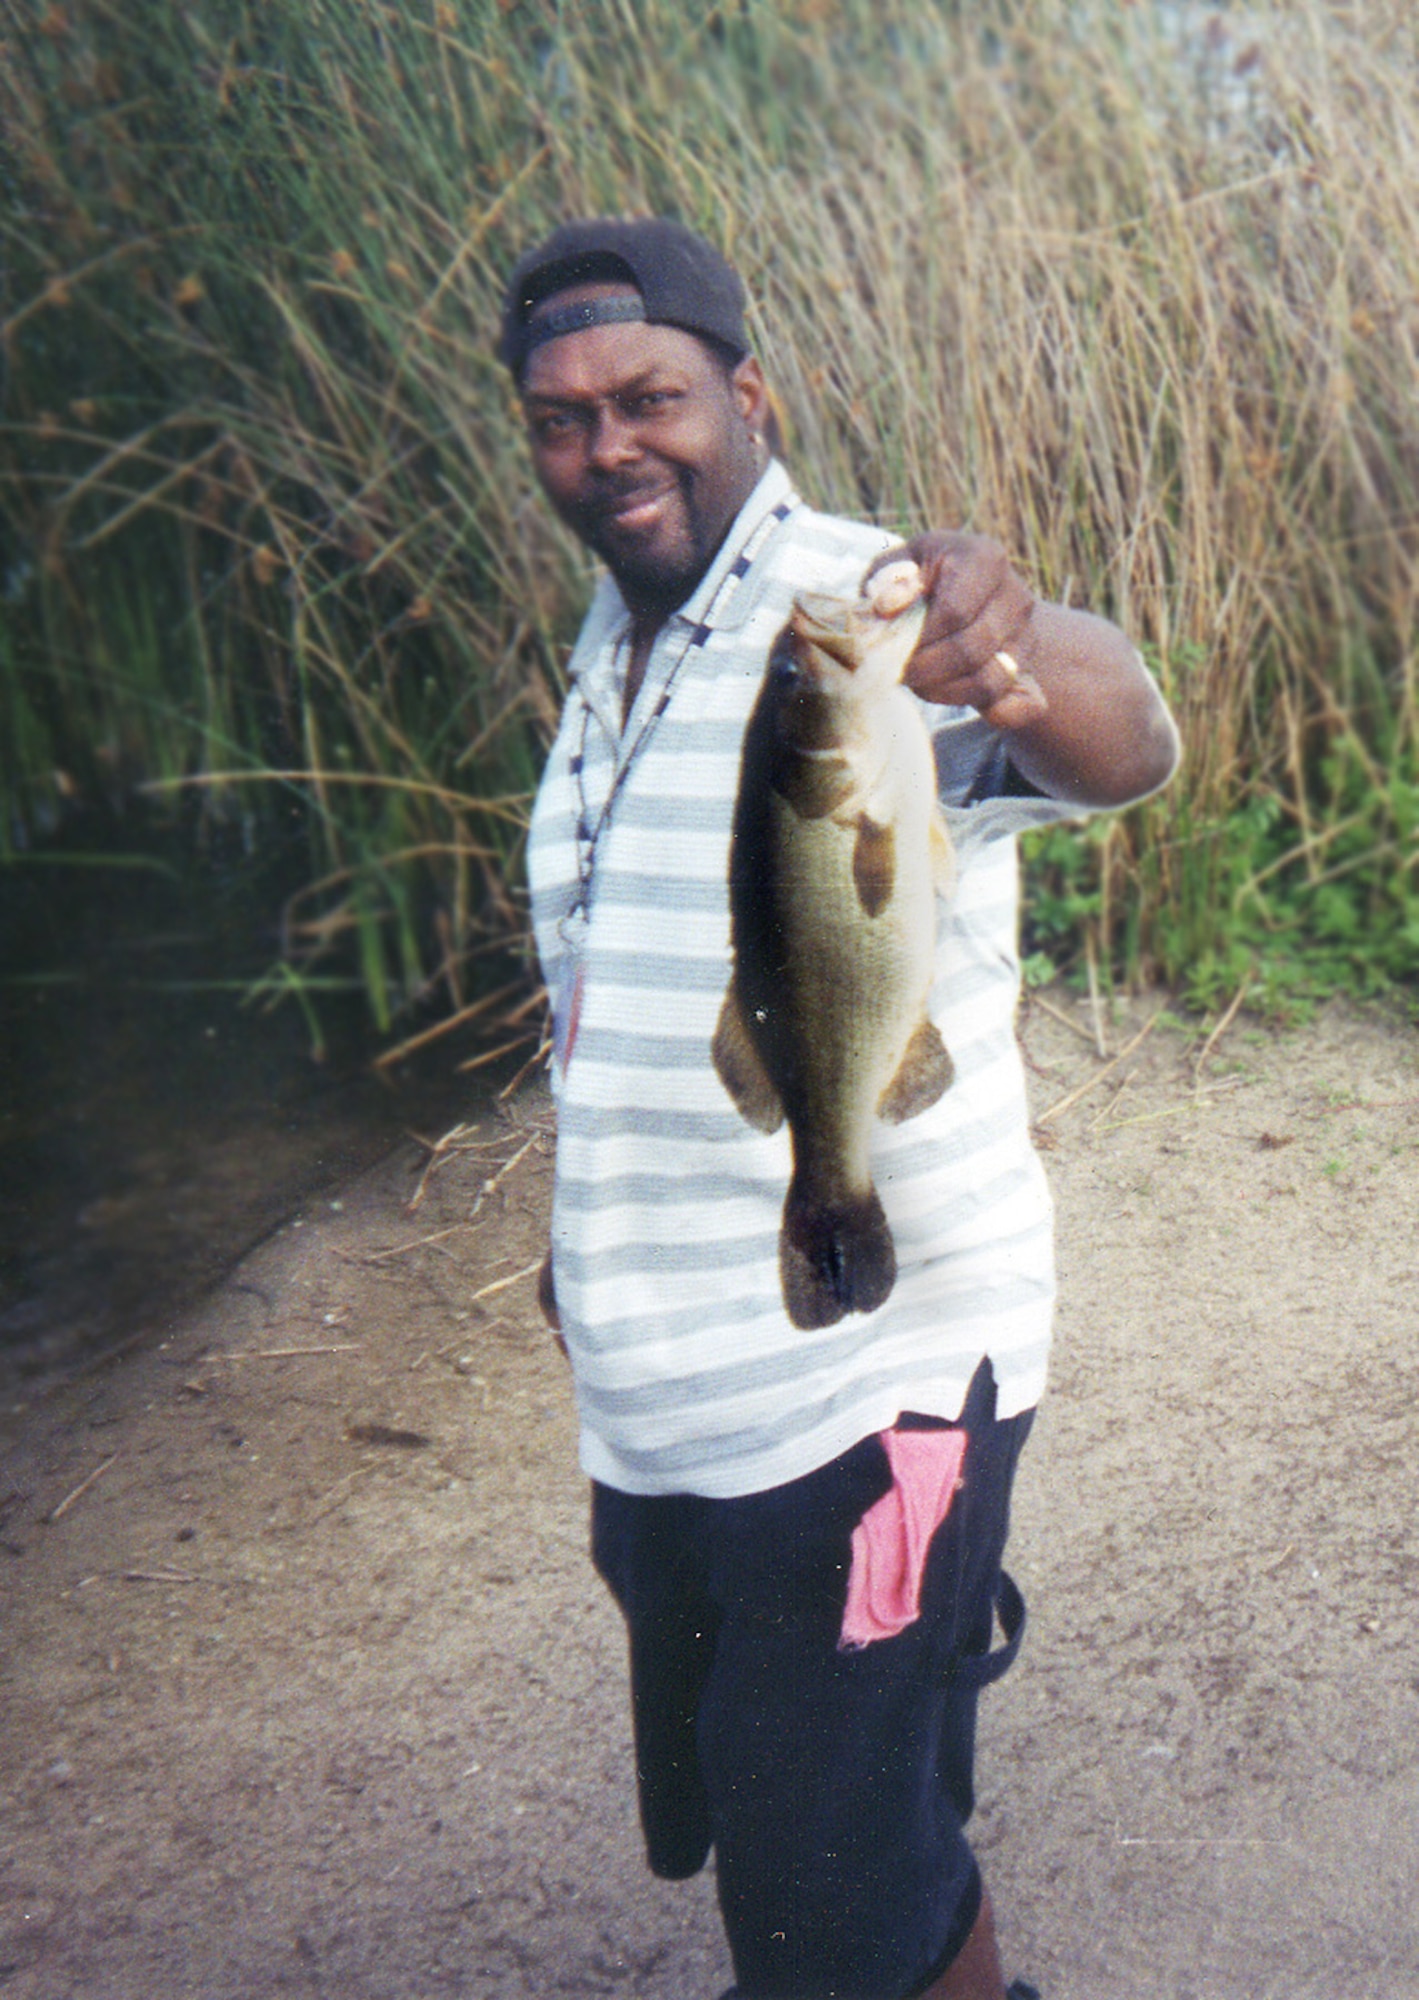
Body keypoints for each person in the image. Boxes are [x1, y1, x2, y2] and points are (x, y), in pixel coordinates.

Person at [497, 216, 1179, 2000]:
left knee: (827, 1883)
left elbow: (1121, 744)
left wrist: (1015, 640)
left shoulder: (864, 615)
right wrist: (584, 1241)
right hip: (667, 1384)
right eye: (561, 419)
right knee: (819, 1804)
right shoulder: (609, 647)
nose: (608, 446)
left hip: (863, 1371)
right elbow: (623, 998)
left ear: (748, 394)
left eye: (647, 398)